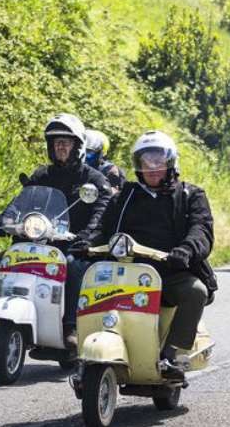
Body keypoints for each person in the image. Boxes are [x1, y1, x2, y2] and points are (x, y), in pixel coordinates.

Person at [89, 131, 217, 380]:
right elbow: (103, 227)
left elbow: (201, 229)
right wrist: (87, 242)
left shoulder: (191, 195)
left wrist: (186, 250)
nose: (153, 167)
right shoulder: (126, 195)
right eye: (146, 161)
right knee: (86, 279)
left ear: (170, 162)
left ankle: (174, 355)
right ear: (139, 165)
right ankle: (84, 347)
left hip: (171, 271)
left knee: (196, 291)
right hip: (125, 271)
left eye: (158, 160)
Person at [0, 114, 111, 348]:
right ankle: (4, 316)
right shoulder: (42, 175)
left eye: (66, 142)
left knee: (72, 265)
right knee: (5, 258)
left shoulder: (94, 179)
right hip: (42, 240)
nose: (60, 146)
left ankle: (70, 326)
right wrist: (4, 219)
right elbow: (20, 201)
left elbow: (102, 213)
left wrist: (87, 237)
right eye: (56, 142)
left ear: (78, 146)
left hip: (75, 244)